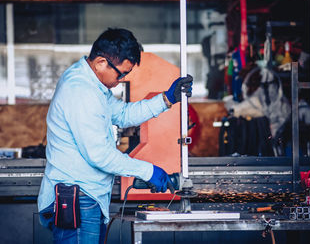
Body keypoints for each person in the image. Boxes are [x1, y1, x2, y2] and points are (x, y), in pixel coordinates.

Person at [38, 28, 193, 244]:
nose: (121, 80)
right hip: (78, 199)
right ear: (101, 62)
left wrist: (166, 99)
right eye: (120, 73)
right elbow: (99, 155)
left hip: (86, 197)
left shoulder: (93, 85)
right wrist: (148, 171)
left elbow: (122, 114)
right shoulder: (80, 90)